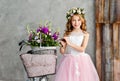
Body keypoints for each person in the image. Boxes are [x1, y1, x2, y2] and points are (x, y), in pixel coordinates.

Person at [54, 7, 100, 81]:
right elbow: (62, 52)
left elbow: (82, 49)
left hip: (82, 61)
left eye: (78, 20)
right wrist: (62, 46)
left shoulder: (85, 34)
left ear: (82, 21)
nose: (76, 23)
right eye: (73, 20)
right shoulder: (67, 34)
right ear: (70, 22)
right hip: (68, 61)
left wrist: (70, 43)